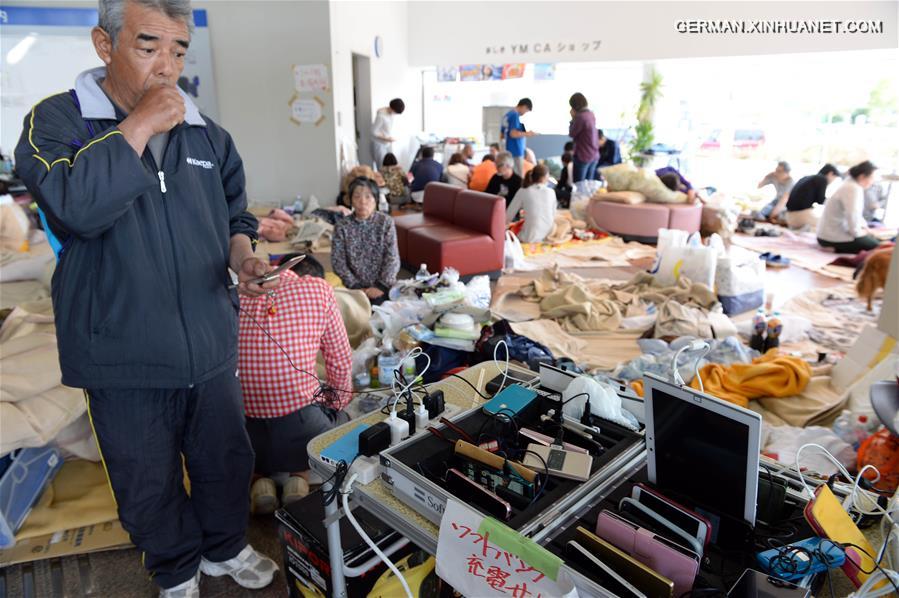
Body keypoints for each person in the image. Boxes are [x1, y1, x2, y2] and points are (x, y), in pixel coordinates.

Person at [13, 1, 279, 595]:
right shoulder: (54, 123)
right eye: (148, 46)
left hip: (208, 339)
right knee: (144, 475)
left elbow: (235, 214)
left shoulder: (209, 133)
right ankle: (176, 568)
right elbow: (76, 207)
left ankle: (226, 547)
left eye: (179, 51)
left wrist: (245, 259)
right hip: (121, 347)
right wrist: (137, 127)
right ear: (104, 46)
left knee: (224, 460)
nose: (168, 66)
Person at [238, 254, 352, 514]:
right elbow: (340, 359)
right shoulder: (318, 289)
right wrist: (336, 405)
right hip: (301, 428)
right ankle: (299, 478)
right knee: (343, 417)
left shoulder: (238, 293)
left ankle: (259, 481)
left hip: (241, 430)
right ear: (309, 274)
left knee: (257, 424)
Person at [332, 177, 400, 303]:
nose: (362, 201)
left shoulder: (385, 222)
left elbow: (392, 258)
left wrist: (381, 286)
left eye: (368, 197)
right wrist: (356, 287)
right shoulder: (341, 226)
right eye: (357, 196)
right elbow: (338, 262)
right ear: (351, 201)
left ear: (376, 200)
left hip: (383, 286)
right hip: (353, 287)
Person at [817, 161, 883, 254]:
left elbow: (856, 215)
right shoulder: (852, 188)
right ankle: (836, 248)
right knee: (881, 248)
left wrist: (865, 228)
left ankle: (837, 249)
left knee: (875, 240)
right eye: (872, 178)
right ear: (862, 176)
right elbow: (852, 216)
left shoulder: (851, 185)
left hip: (826, 235)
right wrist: (863, 233)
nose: (872, 182)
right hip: (830, 238)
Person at [506, 164, 556, 243]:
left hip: (529, 237)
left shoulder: (523, 191)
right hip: (548, 235)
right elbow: (553, 215)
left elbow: (508, 215)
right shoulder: (551, 192)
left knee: (513, 230)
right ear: (545, 177)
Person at [784, 164, 841, 230]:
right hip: (800, 215)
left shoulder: (807, 177)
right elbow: (821, 200)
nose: (833, 181)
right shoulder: (822, 179)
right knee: (827, 226)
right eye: (834, 178)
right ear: (830, 174)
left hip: (788, 215)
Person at [568, 93, 599, 182]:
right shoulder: (590, 114)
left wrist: (572, 118)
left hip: (583, 155)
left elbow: (572, 133)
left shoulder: (580, 117)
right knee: (588, 186)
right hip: (593, 154)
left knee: (579, 185)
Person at [501, 98, 536, 175]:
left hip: (508, 150)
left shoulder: (508, 115)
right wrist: (527, 134)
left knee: (510, 175)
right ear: (524, 106)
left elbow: (502, 134)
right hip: (515, 151)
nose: (524, 113)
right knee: (518, 177)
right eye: (526, 111)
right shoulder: (514, 115)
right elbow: (513, 134)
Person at [371, 98, 404, 167]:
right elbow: (374, 131)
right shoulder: (381, 116)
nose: (395, 114)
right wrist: (386, 138)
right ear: (392, 108)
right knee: (382, 166)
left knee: (391, 164)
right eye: (395, 112)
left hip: (387, 143)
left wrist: (388, 139)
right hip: (379, 144)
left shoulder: (390, 113)